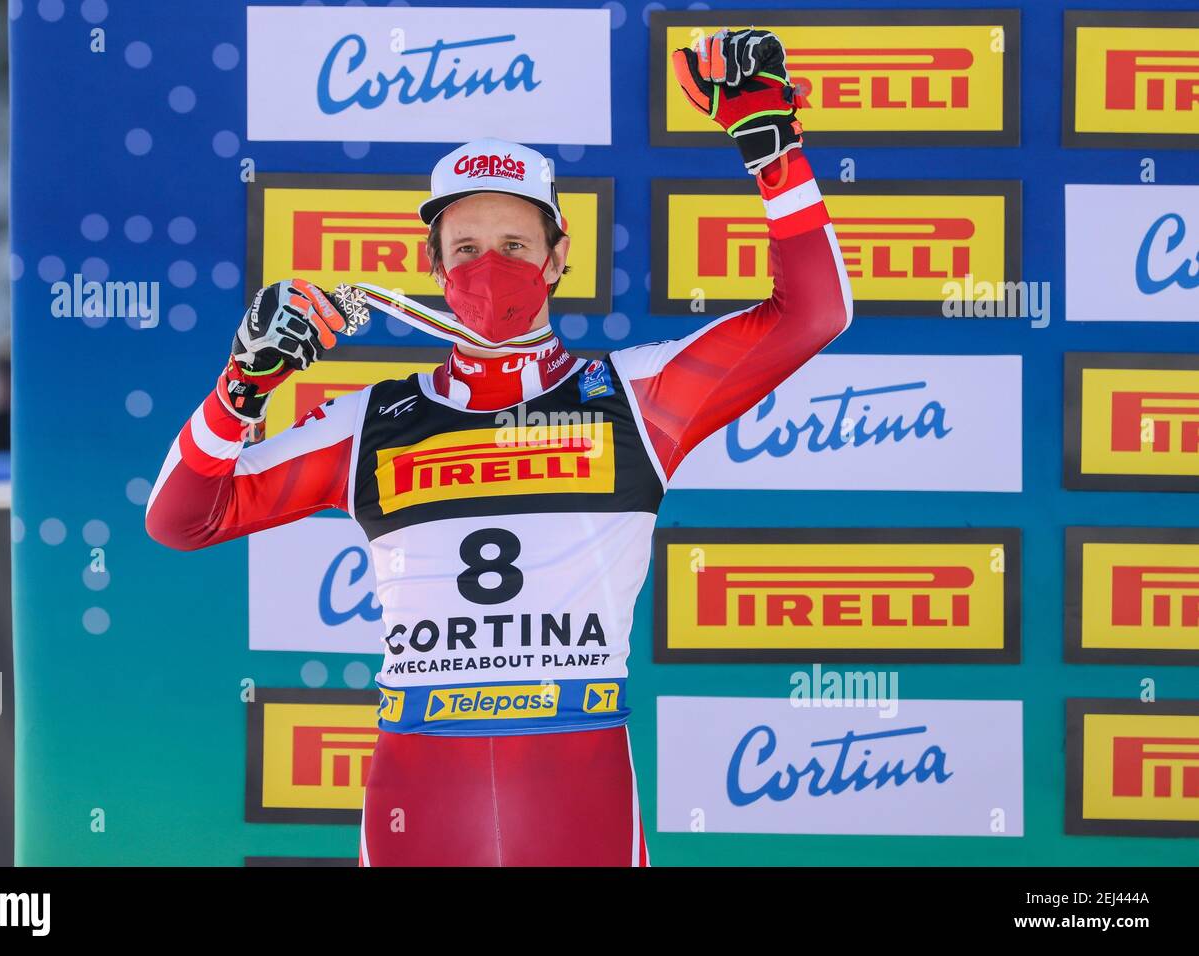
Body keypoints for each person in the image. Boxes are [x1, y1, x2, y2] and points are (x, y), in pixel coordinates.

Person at [146, 30, 851, 866]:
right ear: (434, 267)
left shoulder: (638, 397)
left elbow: (815, 312)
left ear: (558, 259)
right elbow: (181, 520)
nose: (491, 267)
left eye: (515, 246)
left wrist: (773, 150)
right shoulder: (368, 422)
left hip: (576, 782)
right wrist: (242, 387)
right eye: (467, 249)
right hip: (421, 791)